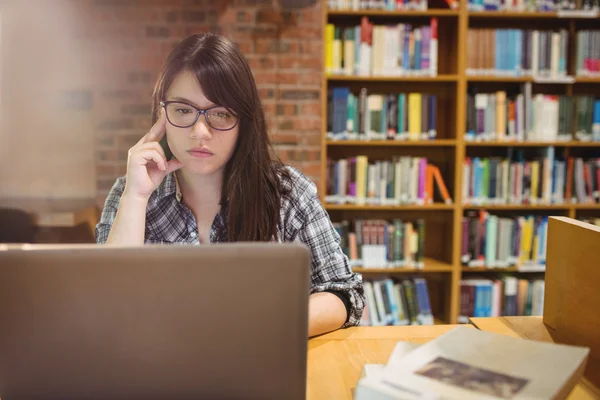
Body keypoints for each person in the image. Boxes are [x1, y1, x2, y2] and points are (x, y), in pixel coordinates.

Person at [96, 33, 365, 337]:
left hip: (259, 366)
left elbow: (345, 293)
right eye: (183, 110)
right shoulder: (129, 192)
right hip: (156, 372)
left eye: (220, 113)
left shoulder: (287, 193)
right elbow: (108, 307)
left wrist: (268, 325)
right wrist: (136, 196)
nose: (200, 132)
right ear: (163, 115)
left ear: (244, 121)